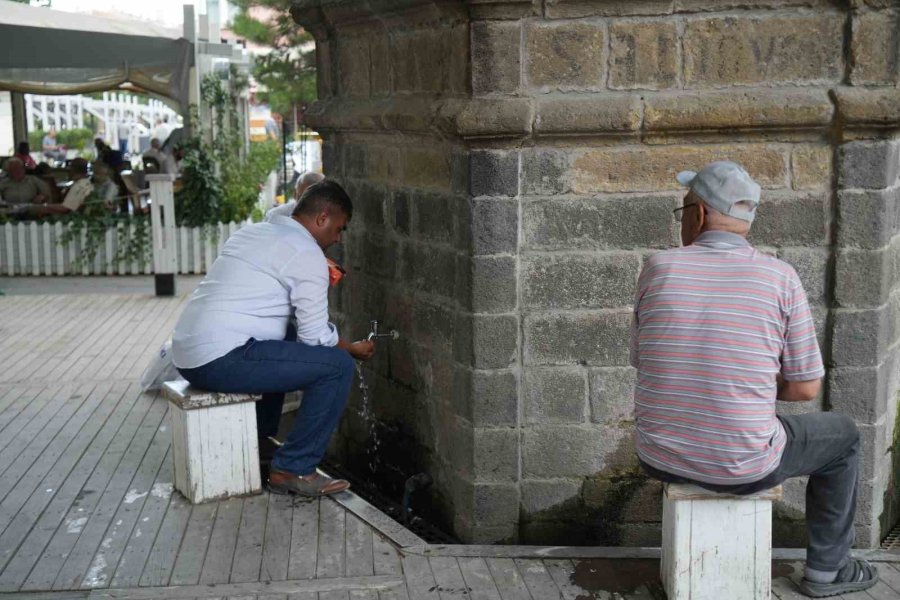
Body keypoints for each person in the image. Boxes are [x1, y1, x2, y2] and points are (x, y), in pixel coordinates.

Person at [630, 161, 878, 598]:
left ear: (700, 214)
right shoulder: (780, 277)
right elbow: (805, 388)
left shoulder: (657, 268)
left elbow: (647, 362)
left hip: (658, 453)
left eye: (684, 208)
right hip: (742, 466)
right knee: (842, 436)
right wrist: (755, 384)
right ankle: (827, 570)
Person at [172, 180, 374, 497]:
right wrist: (351, 349)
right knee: (337, 367)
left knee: (286, 336)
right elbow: (316, 339)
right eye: (338, 228)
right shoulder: (307, 255)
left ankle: (260, 440)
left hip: (187, 354)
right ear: (322, 218)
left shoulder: (255, 232)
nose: (336, 239)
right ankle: (294, 468)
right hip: (218, 360)